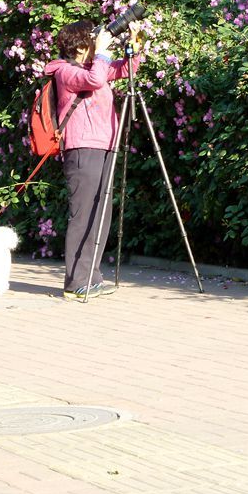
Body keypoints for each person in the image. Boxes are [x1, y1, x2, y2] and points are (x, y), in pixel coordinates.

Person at [44, 19, 142, 299]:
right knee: (83, 214)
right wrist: (101, 52)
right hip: (82, 148)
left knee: (101, 215)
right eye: (91, 40)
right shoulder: (64, 72)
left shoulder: (89, 67)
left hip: (103, 146)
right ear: (78, 46)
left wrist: (134, 47)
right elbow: (95, 79)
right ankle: (76, 283)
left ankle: (92, 276)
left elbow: (125, 71)